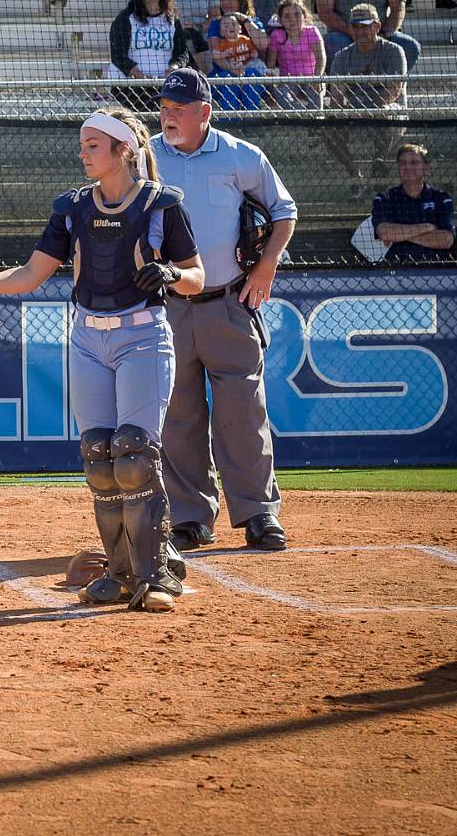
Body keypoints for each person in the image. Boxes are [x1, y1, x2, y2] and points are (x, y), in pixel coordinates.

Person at [0, 108, 205, 612]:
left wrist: (170, 276)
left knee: (134, 451)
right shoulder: (71, 208)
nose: (82, 152)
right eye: (83, 144)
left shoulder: (161, 206)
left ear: (123, 151)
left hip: (142, 337)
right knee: (99, 454)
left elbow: (197, 276)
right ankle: (117, 572)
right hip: (88, 338)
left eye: (93, 144)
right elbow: (29, 275)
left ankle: (157, 574)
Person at [150, 68, 298, 554]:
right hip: (168, 305)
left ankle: (258, 513)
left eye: (178, 110)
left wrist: (266, 268)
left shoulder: (241, 155)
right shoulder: (145, 155)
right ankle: (191, 517)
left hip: (230, 301)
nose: (168, 117)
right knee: (178, 417)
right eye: (165, 108)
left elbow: (284, 212)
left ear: (205, 113)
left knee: (242, 413)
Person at [107, 0, 195, 108]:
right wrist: (139, 76)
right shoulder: (125, 18)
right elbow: (118, 55)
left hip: (165, 86)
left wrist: (174, 66)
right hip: (129, 87)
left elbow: (182, 51)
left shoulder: (172, 19)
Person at [371, 143, 454, 260]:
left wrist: (399, 235)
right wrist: (427, 227)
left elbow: (446, 240)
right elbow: (385, 233)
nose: (408, 167)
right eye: (402, 163)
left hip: (434, 269)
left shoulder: (441, 198)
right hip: (395, 269)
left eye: (414, 163)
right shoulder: (385, 198)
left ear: (426, 167)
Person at [327, 3, 407, 107]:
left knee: (386, 108)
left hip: (388, 110)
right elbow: (337, 97)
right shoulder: (341, 57)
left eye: (365, 26)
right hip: (354, 113)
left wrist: (370, 112)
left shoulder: (394, 52)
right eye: (355, 27)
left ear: (377, 27)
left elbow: (394, 91)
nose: (360, 32)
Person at [265, 0, 325, 108]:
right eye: (287, 16)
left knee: (317, 89)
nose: (292, 20)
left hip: (312, 78)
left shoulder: (312, 32)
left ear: (304, 16)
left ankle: (317, 118)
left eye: (297, 15)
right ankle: (302, 116)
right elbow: (270, 65)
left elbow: (321, 58)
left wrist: (318, 78)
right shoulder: (276, 36)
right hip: (288, 81)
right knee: (279, 93)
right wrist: (271, 87)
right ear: (280, 20)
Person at [208, 12, 266, 110]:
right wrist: (224, 54)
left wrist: (253, 54)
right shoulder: (223, 44)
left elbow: (254, 51)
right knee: (228, 79)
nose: (230, 27)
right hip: (232, 68)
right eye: (226, 26)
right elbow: (214, 55)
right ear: (221, 32)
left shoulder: (246, 40)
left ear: (240, 28)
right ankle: (230, 118)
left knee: (253, 70)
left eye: (233, 24)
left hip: (247, 67)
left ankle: (252, 115)